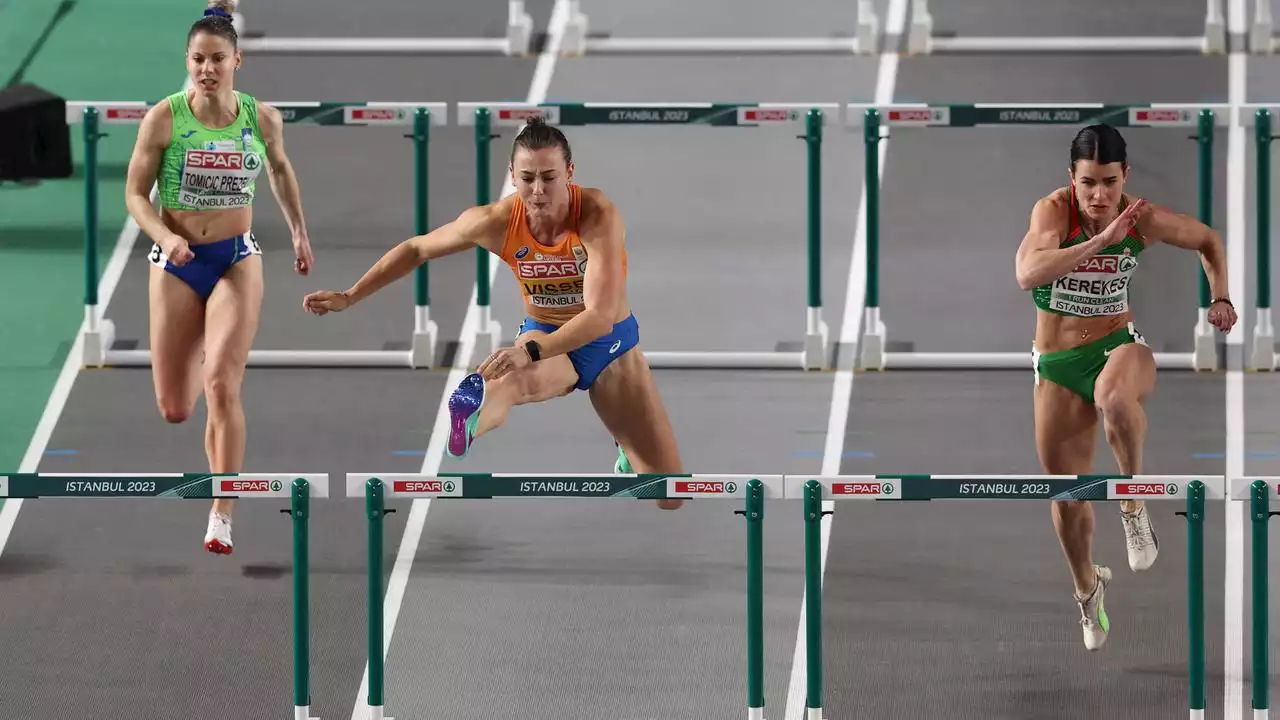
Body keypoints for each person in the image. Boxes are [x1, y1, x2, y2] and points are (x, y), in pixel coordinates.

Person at [303, 117, 685, 510]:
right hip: (545, 334)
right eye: (527, 178)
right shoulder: (495, 221)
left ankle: (624, 439)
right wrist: (350, 296)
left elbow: (600, 315)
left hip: (608, 341)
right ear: (512, 176)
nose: (538, 191)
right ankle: (469, 415)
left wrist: (531, 352)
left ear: (570, 172)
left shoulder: (596, 214)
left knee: (668, 494)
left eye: (549, 178)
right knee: (509, 384)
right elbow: (417, 249)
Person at [1014, 123, 1236, 651]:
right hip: (1058, 363)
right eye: (1088, 182)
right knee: (1067, 497)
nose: (1098, 196)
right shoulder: (1053, 212)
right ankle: (1088, 588)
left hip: (1118, 345)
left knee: (1115, 397)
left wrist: (1220, 297)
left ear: (1124, 176)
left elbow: (1208, 239)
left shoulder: (1143, 218)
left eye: (1109, 183)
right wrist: (1101, 242)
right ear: (1071, 177)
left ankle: (1133, 506)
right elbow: (1028, 273)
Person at [124, 0, 315, 554]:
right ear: (187, 62)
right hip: (178, 265)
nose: (207, 70)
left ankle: (221, 513)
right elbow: (135, 194)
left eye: (217, 60)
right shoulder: (165, 117)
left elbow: (280, 170)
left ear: (238, 60)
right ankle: (202, 336)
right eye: (197, 60)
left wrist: (299, 233)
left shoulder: (262, 118)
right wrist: (166, 237)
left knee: (222, 386)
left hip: (236, 259)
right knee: (176, 408)